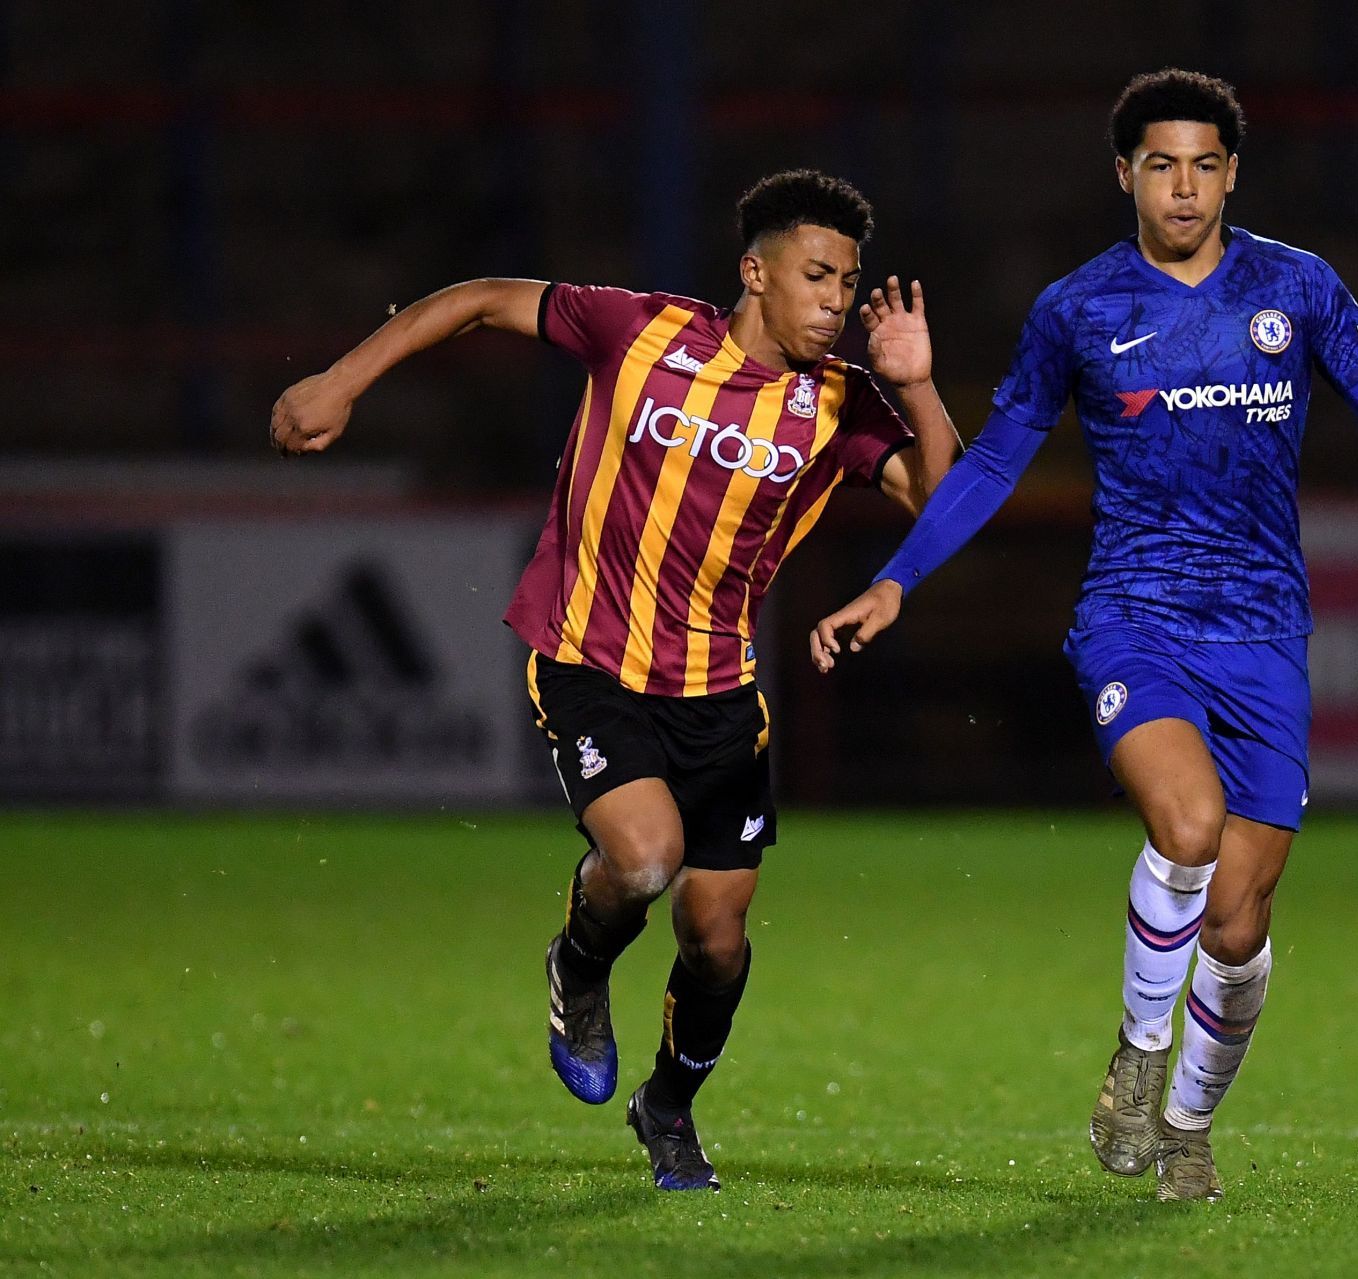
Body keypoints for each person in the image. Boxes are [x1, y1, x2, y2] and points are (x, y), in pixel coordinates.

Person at [809, 71, 1358, 1202]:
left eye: (1206, 164)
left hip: (1263, 631)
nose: (1185, 186)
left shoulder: (1296, 286)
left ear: (1232, 174)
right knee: (1189, 822)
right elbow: (1000, 458)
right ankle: (1137, 1055)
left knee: (1241, 923)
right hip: (1134, 615)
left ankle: (1189, 1129)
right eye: (1162, 164)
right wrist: (900, 579)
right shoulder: (1079, 309)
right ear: (1125, 175)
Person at [271, 169, 959, 1191]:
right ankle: (578, 965)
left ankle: (668, 1109)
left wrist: (915, 386)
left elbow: (946, 508)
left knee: (716, 938)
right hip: (593, 662)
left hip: (722, 696)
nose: (835, 301)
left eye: (848, 286)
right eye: (817, 275)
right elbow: (476, 300)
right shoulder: (639, 333)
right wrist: (341, 379)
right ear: (754, 272)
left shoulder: (837, 404)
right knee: (643, 860)